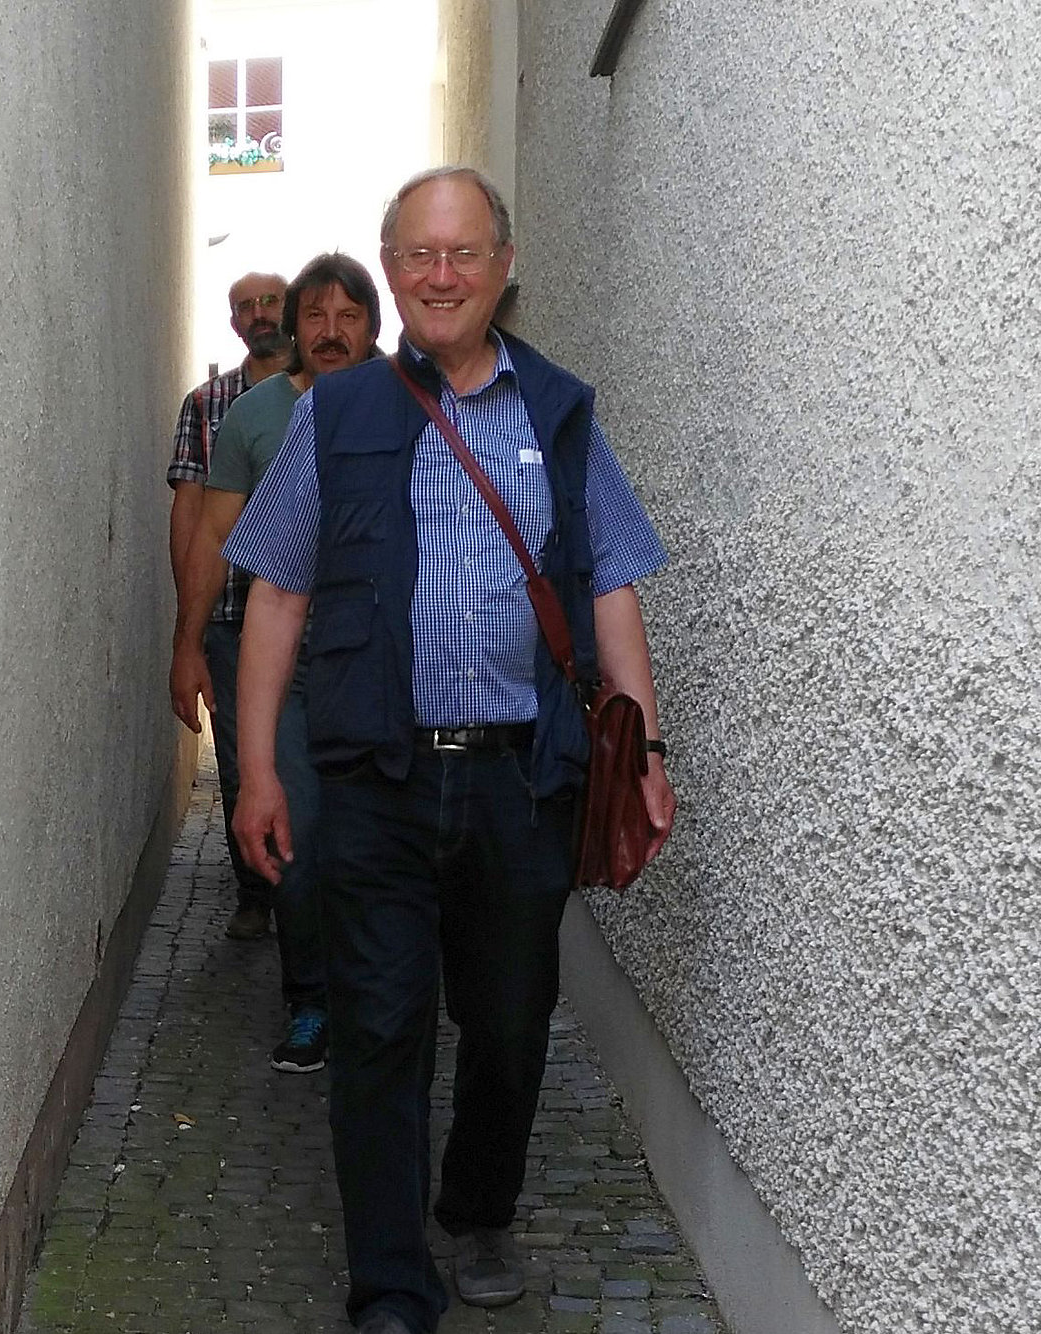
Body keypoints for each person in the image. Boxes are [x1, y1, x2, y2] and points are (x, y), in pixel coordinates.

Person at [221, 167, 676, 1334]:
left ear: (501, 267)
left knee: (511, 1015)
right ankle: (388, 1282)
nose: (439, 275)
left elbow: (612, 578)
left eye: (462, 253)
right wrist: (262, 768)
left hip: (519, 779)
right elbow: (274, 588)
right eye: (417, 255)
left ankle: (477, 1203)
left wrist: (644, 741)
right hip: (373, 775)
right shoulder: (337, 411)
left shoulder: (560, 414)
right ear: (390, 269)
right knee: (379, 1025)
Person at [171, 254, 383, 1073]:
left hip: (378, 660)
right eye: (315, 316)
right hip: (282, 661)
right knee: (292, 831)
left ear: (373, 323)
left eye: (348, 315)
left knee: (375, 833)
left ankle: (380, 991)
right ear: (295, 327)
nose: (330, 332)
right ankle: (312, 1001)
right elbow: (215, 538)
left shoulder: (406, 402)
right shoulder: (254, 417)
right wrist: (189, 644)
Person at [166, 270, 290, 941]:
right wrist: (187, 634)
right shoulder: (206, 404)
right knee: (245, 762)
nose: (259, 313)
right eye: (245, 306)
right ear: (233, 321)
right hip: (233, 615)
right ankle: (261, 893)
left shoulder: (334, 389)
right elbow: (191, 518)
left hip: (316, 619)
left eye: (270, 300)